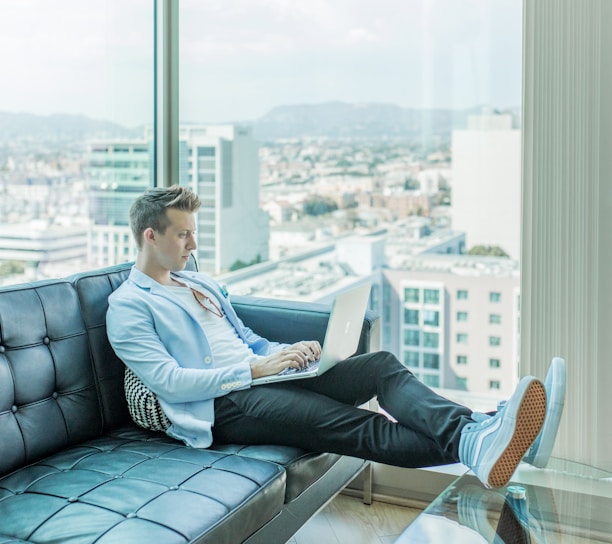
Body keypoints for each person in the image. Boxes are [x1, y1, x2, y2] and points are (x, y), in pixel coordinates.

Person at [106, 185, 565, 489]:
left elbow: (243, 335)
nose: (192, 245)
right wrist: (253, 369)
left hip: (264, 377)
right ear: (150, 235)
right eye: (183, 235)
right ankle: (488, 435)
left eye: (193, 233)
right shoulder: (128, 306)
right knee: (355, 425)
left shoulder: (197, 282)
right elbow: (169, 381)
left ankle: (483, 436)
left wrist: (283, 354)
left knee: (380, 366)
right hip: (223, 405)